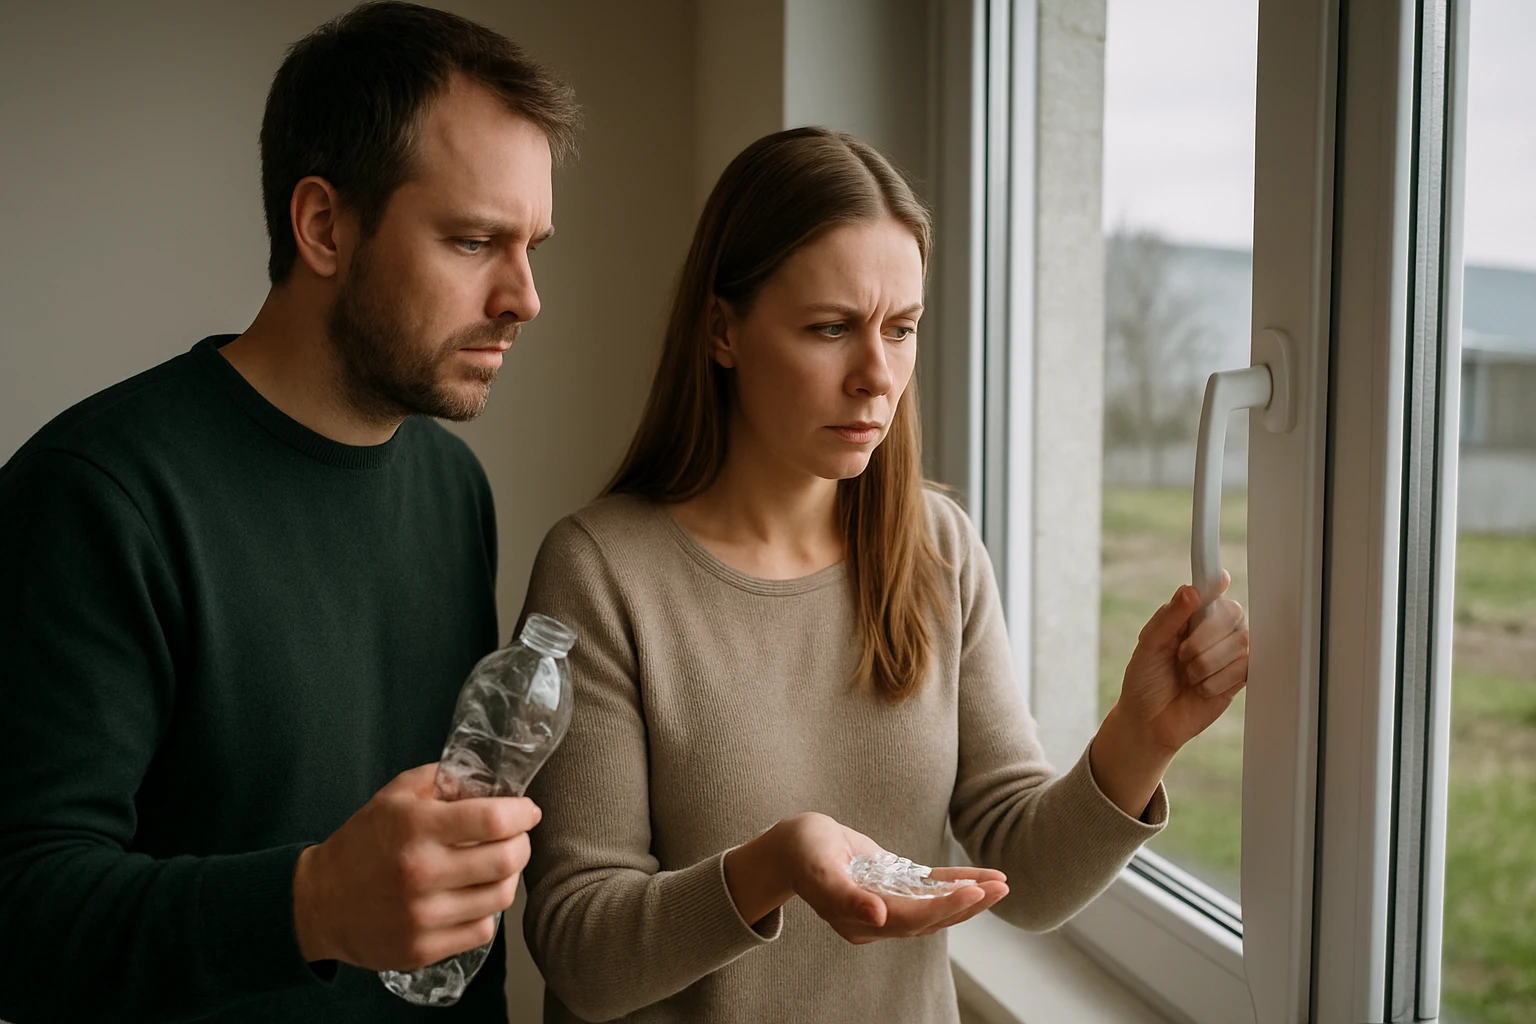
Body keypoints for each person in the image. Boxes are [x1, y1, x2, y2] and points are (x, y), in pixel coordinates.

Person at [518, 127, 1250, 1023]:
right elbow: (582, 954)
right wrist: (772, 867)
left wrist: (1144, 735)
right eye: (831, 329)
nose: (878, 376)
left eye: (901, 329)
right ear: (722, 331)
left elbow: (1023, 879)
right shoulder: (600, 574)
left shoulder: (939, 549)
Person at [0, 4, 579, 1021]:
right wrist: (308, 901)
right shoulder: (98, 494)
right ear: (322, 226)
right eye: (475, 239)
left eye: (531, 245)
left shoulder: (454, 489)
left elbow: (453, 886)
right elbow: (17, 912)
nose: (524, 297)